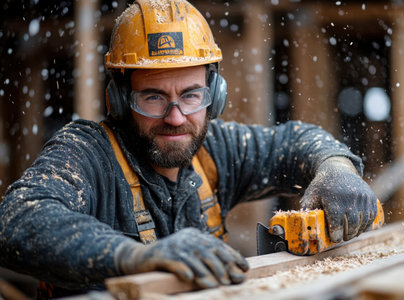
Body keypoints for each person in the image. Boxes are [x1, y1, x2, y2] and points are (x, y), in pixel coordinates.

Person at [0, 0, 378, 298]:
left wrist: (336, 167)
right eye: (152, 97)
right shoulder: (87, 153)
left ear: (214, 96)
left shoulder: (215, 150)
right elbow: (18, 220)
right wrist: (134, 257)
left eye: (191, 95)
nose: (177, 118)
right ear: (117, 99)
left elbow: (294, 142)